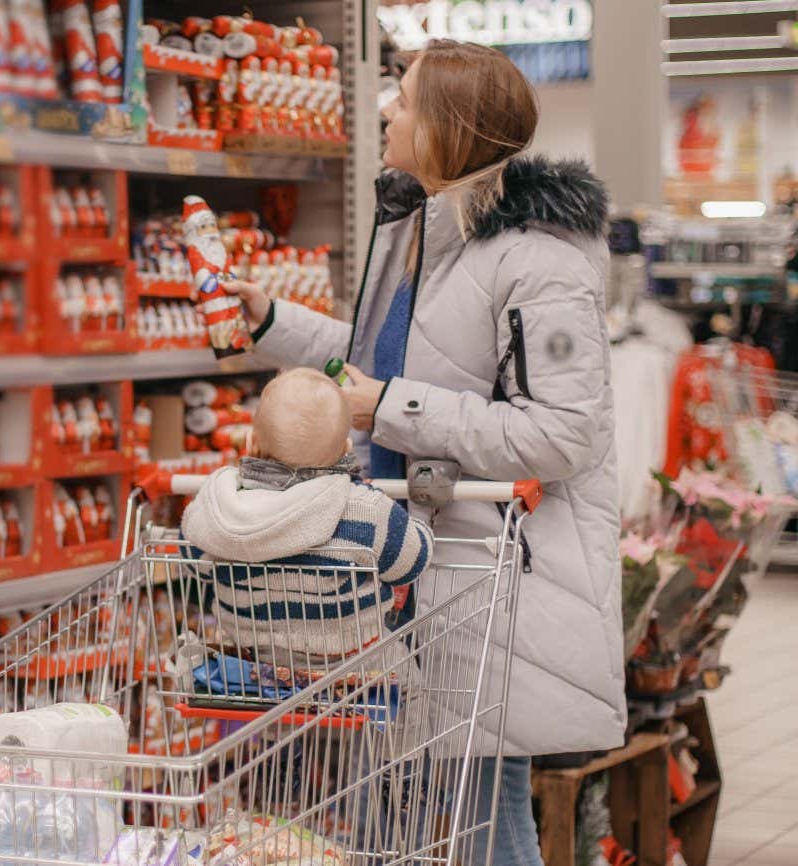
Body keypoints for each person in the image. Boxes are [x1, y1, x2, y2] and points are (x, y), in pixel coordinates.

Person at [223, 39, 625, 866]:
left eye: (403, 101)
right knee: (460, 806)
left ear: (449, 127)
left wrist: (394, 409)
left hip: (509, 578)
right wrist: (272, 323)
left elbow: (563, 434)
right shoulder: (435, 239)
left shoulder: (540, 261)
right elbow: (383, 361)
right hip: (444, 568)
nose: (386, 112)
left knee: (486, 809)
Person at [181, 368, 434, 677]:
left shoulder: (219, 505)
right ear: (346, 449)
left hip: (260, 672)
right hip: (357, 673)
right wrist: (423, 525)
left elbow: (194, 561)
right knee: (407, 676)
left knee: (289, 721)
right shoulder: (365, 510)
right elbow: (411, 561)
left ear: (251, 443)